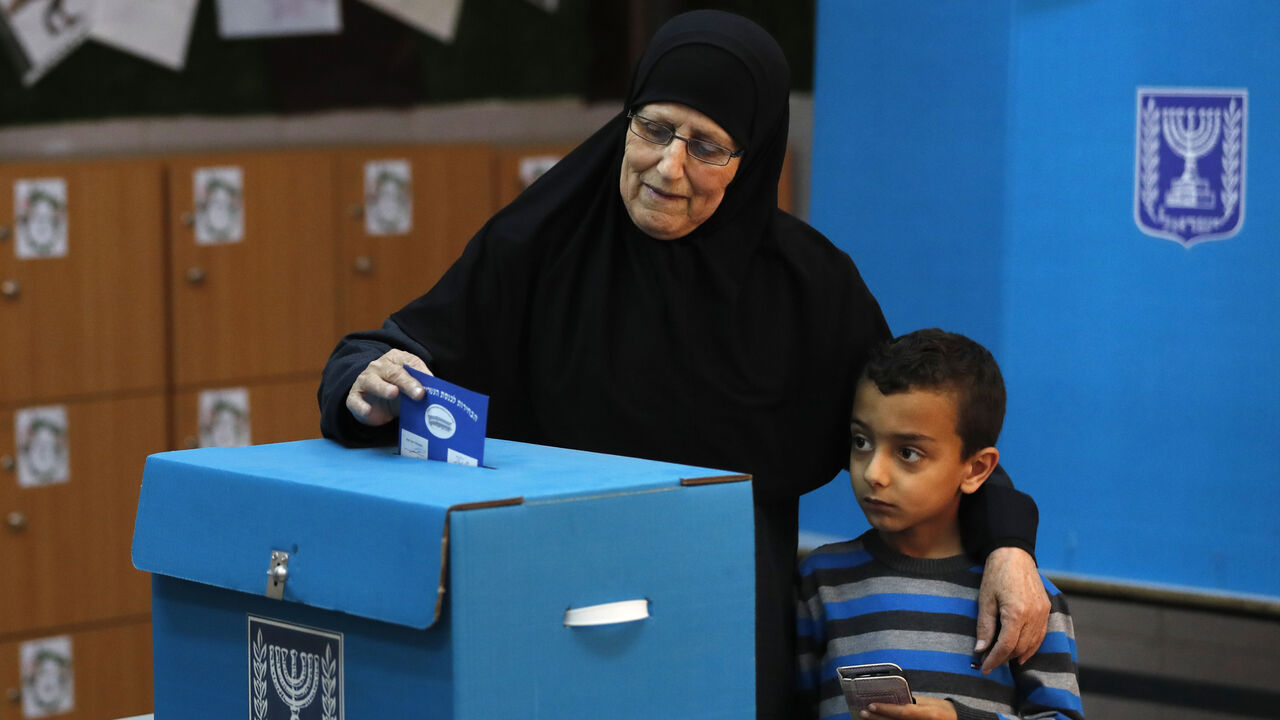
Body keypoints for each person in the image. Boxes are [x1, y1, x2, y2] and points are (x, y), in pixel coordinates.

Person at [317, 11, 1048, 718]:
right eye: (655, 129)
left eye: (706, 146)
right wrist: (366, 380)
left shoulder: (809, 287)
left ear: (751, 158)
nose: (670, 167)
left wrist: (1008, 542)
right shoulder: (537, 247)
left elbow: (920, 416)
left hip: (723, 615)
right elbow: (393, 352)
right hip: (547, 598)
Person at [796, 329, 1084, 720]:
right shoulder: (821, 580)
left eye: (908, 452)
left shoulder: (1027, 603)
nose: (873, 473)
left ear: (976, 469)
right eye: (861, 442)